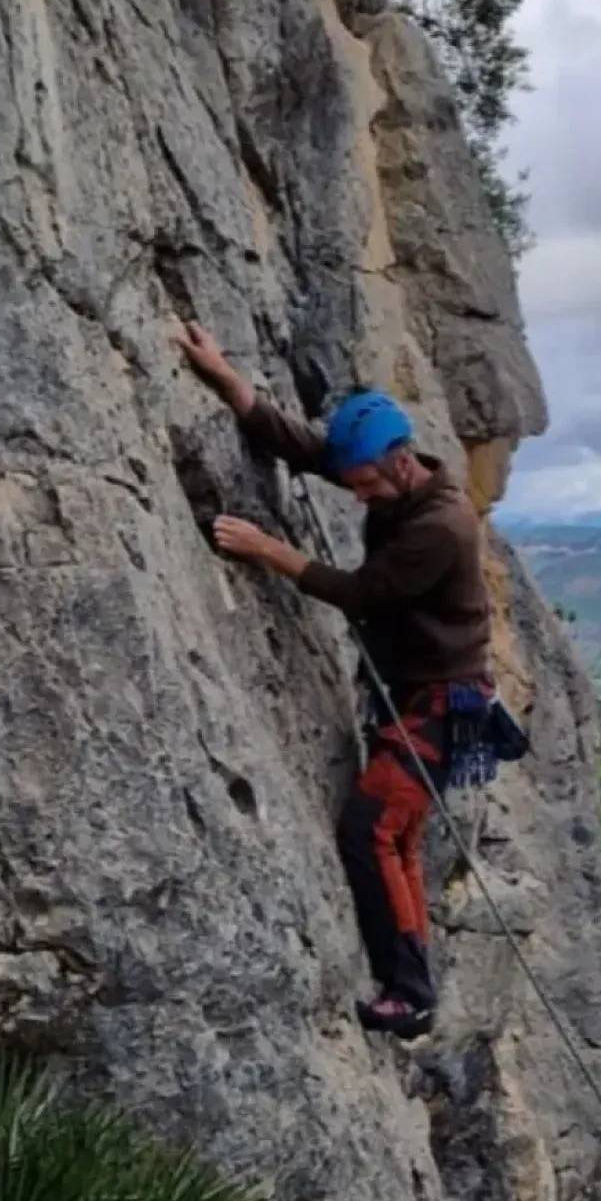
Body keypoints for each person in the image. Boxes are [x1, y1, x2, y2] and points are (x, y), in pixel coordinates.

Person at [176, 321, 492, 1040]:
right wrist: (226, 377)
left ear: (401, 460)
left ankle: (408, 993)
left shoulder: (438, 526)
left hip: (442, 704)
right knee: (399, 839)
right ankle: (413, 981)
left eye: (367, 484)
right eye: (353, 483)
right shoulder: (391, 482)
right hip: (426, 697)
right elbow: (302, 445)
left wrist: (265, 549)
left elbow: (360, 593)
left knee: (370, 830)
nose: (358, 496)